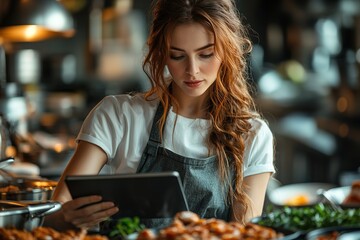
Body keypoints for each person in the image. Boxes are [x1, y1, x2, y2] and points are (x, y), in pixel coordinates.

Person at [44, 0, 275, 231]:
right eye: (177, 56)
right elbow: (54, 213)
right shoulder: (118, 116)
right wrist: (68, 217)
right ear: (162, 54)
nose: (192, 70)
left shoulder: (252, 135)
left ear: (228, 50)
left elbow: (245, 234)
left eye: (206, 54)